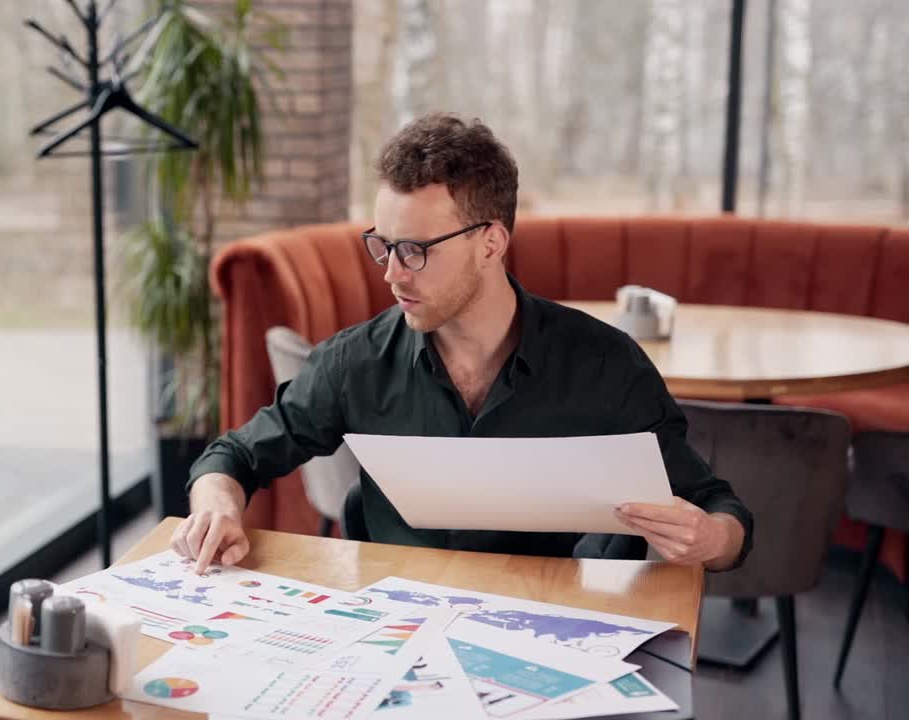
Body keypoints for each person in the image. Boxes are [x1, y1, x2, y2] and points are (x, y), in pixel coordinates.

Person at [173, 113, 753, 576]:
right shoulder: (358, 361)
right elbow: (234, 456)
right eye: (383, 245)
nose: (392, 275)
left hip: (554, 628)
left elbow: (722, 515)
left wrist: (710, 540)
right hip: (395, 621)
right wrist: (216, 504)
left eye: (416, 250)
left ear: (490, 243)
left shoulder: (605, 365)